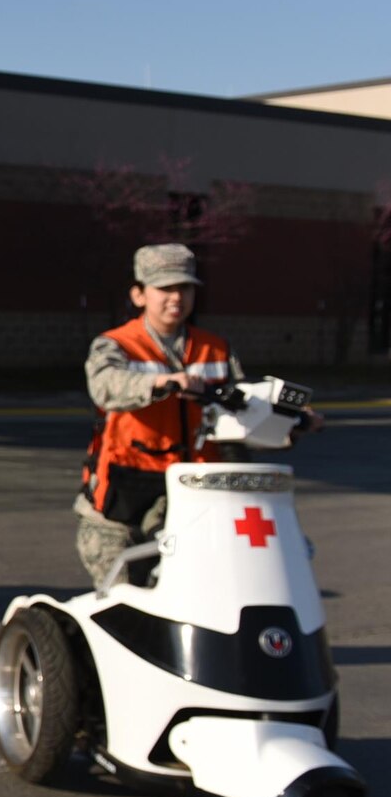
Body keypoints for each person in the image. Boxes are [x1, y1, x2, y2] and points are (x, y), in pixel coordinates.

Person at [73, 242, 324, 586]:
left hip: (200, 491)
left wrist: (289, 422)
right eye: (165, 288)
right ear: (139, 295)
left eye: (185, 288)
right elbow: (105, 386)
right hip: (127, 493)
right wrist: (164, 382)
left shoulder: (215, 347)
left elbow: (241, 413)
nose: (176, 298)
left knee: (202, 589)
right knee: (123, 596)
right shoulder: (115, 345)